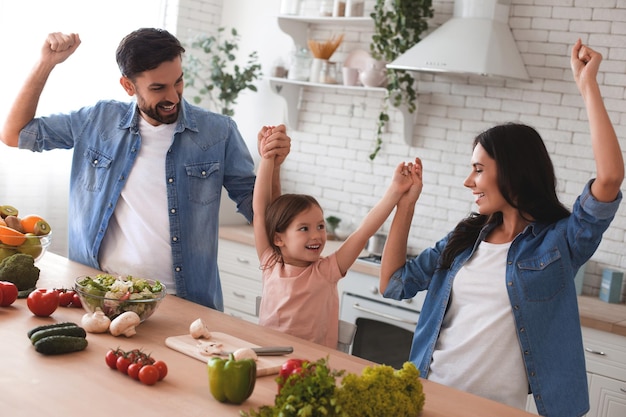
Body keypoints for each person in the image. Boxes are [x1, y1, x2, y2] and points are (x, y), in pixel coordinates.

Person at [379, 39, 624, 417]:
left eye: (478, 169)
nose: (469, 181)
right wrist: (405, 206)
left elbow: (609, 179)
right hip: (430, 394)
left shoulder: (560, 243)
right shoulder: (463, 241)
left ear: (512, 171)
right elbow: (393, 283)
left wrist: (587, 84)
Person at [0, 29, 290, 310]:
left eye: (178, 82)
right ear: (128, 86)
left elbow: (266, 218)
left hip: (186, 302)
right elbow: (15, 134)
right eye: (158, 88)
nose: (174, 97)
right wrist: (45, 63)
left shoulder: (218, 132)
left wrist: (271, 164)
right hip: (99, 294)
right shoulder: (98, 120)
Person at [253, 125, 418, 348]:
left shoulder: (325, 272)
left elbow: (362, 233)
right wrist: (267, 158)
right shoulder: (271, 263)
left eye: (320, 226)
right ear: (278, 238)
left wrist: (395, 191)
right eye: (304, 229)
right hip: (269, 359)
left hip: (312, 369)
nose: (317, 236)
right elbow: (262, 212)